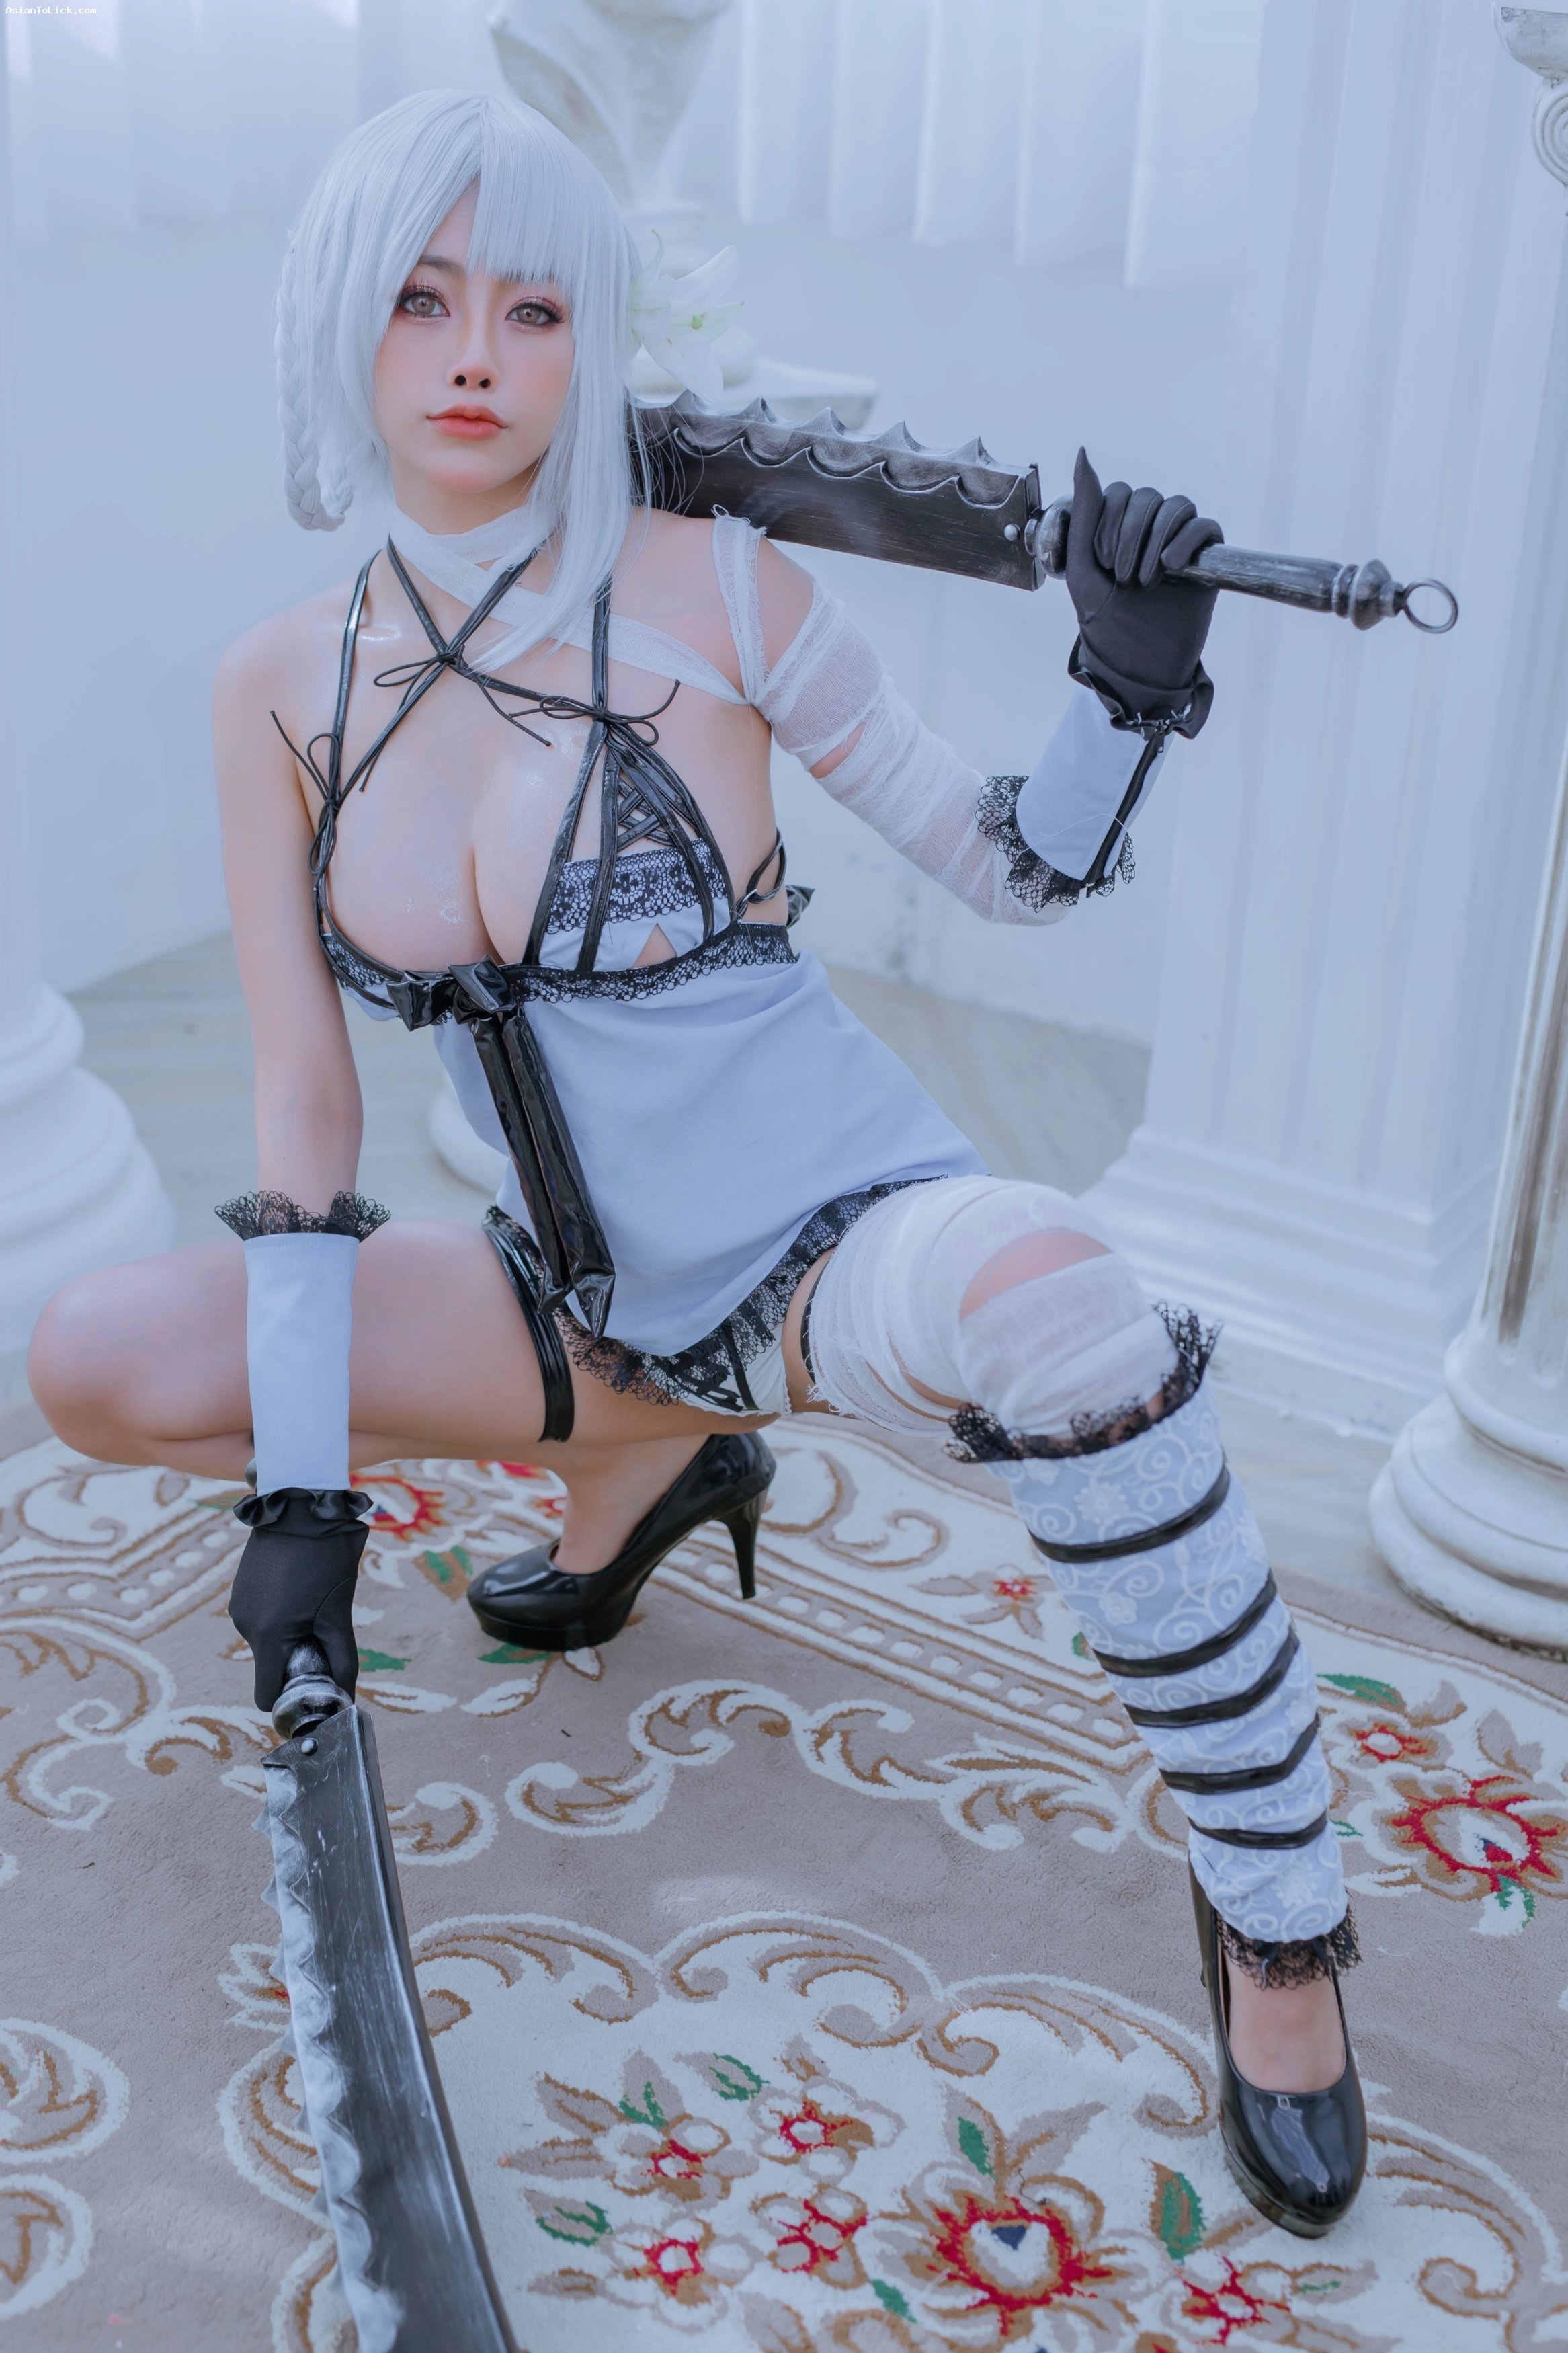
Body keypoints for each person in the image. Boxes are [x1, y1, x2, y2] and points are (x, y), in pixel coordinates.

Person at [28, 91, 1365, 2235]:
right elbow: (307, 1112)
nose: (477, 354)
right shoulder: (279, 685)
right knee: (96, 1351)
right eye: (422, 300)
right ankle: (650, 1454)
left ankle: (1279, 1920)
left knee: (1066, 1298)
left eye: (535, 306)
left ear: (593, 339)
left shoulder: (719, 586)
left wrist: (1126, 684)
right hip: (565, 1294)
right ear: (338, 327)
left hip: (836, 1242)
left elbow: (1011, 869)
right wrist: (301, 1499)